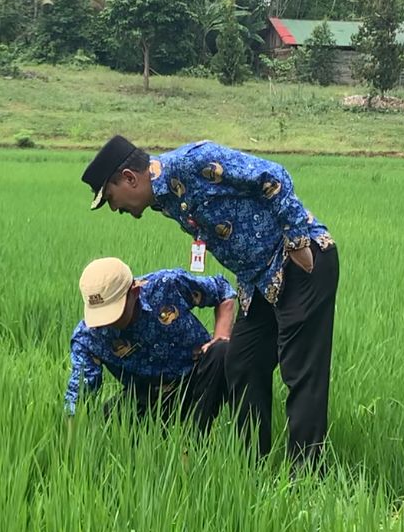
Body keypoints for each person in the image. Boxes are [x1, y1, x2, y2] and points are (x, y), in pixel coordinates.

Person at [81, 136, 338, 468]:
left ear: (130, 177)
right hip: (259, 281)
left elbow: (274, 175)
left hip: (300, 262)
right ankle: (253, 468)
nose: (116, 209)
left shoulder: (193, 162)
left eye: (112, 199)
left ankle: (306, 477)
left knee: (301, 372)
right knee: (242, 363)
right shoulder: (164, 199)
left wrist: (298, 240)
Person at [65, 256, 235, 431]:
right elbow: (79, 395)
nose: (106, 323)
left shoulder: (167, 285)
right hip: (147, 394)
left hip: (197, 375)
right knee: (103, 427)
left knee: (221, 350)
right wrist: (72, 442)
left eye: (114, 312)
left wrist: (219, 336)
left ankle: (196, 441)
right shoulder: (88, 337)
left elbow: (222, 290)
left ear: (134, 293)